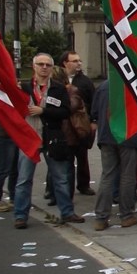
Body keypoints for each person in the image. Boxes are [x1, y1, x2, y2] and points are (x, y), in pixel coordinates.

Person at [12, 53, 79, 229]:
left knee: (60, 177)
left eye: (48, 65)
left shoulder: (58, 88)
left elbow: (65, 112)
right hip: (29, 137)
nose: (44, 67)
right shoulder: (24, 87)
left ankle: (67, 212)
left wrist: (43, 111)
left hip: (52, 137)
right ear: (33, 66)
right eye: (40, 64)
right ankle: (20, 215)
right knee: (24, 178)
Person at [90, 80, 137, 231]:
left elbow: (94, 112)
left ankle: (101, 217)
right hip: (129, 135)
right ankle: (126, 215)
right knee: (127, 176)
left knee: (107, 175)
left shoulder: (103, 87)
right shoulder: (134, 84)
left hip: (107, 135)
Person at [59, 50, 95, 195]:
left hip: (81, 123)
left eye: (79, 61)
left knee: (82, 156)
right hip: (63, 124)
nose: (79, 63)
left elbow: (93, 101)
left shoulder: (85, 82)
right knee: (62, 157)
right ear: (65, 63)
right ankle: (57, 188)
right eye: (74, 61)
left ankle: (84, 184)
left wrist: (93, 121)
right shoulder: (58, 80)